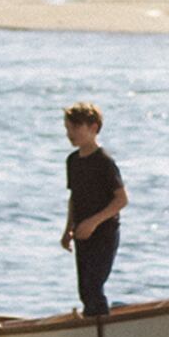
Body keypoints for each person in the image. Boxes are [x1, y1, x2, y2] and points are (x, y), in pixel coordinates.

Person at [61, 103, 126, 316]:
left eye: (75, 128)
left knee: (94, 285)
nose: (70, 134)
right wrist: (68, 230)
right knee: (84, 290)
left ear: (93, 128)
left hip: (104, 233)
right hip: (82, 233)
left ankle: (101, 327)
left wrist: (93, 222)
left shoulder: (104, 161)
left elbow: (121, 200)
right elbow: (75, 198)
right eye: (67, 128)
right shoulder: (73, 161)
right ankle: (92, 323)